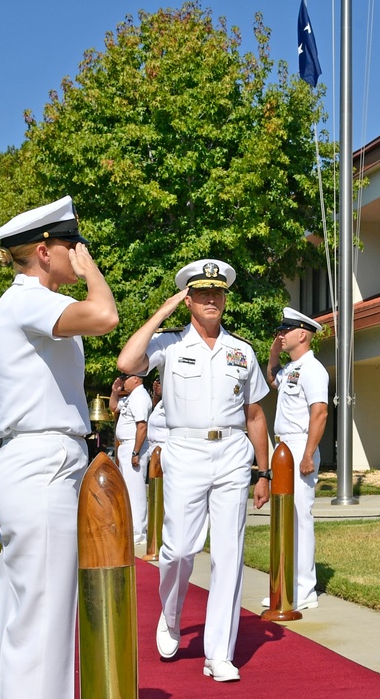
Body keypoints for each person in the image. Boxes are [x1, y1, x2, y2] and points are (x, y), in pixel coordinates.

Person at [0, 195, 118, 699]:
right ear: (45, 251)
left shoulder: (27, 303)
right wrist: (92, 272)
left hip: (32, 461)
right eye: (72, 244)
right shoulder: (29, 298)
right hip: (40, 465)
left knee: (27, 622)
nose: (79, 252)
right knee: (43, 628)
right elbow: (105, 315)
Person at [117, 258, 271, 684]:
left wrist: (264, 471)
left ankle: (218, 652)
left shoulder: (242, 351)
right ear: (188, 299)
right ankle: (169, 616)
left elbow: (255, 413)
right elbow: (127, 363)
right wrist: (161, 312)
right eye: (202, 293)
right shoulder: (168, 344)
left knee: (229, 555)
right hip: (184, 449)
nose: (211, 299)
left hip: (233, 453)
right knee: (179, 550)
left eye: (218, 293)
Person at [263, 307, 329, 611]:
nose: (281, 335)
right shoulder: (292, 368)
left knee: (301, 518)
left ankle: (305, 589)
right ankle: (287, 584)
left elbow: (320, 412)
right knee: (285, 518)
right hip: (283, 448)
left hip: (300, 444)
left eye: (286, 331)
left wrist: (307, 455)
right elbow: (273, 380)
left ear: (302, 334)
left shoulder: (314, 369)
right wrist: (273, 356)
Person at [109, 372, 151, 545]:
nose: (123, 381)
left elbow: (142, 426)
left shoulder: (140, 396)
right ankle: (131, 529)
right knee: (127, 490)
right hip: (126, 446)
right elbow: (113, 407)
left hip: (135, 445)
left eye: (126, 378)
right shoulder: (131, 397)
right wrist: (115, 391)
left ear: (136, 379)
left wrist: (135, 452)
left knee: (136, 492)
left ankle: (138, 534)